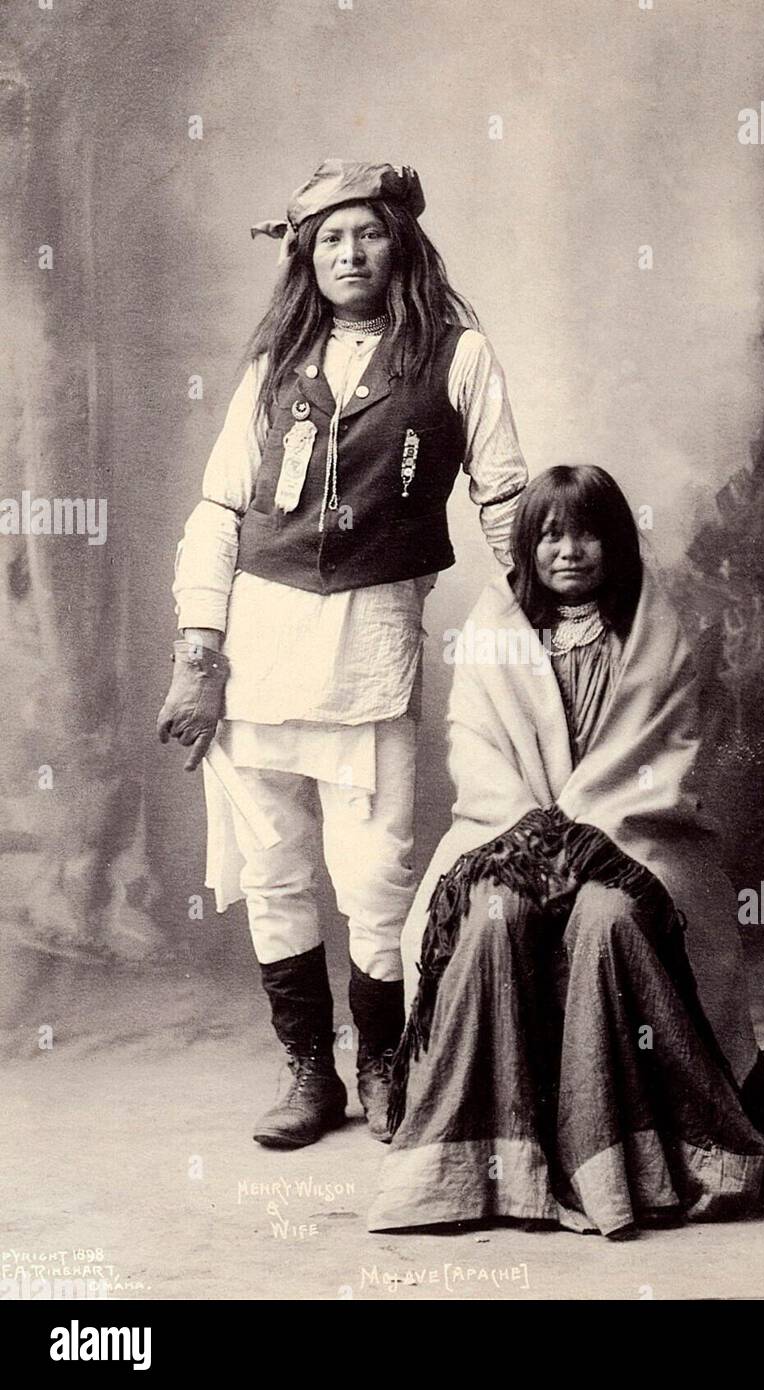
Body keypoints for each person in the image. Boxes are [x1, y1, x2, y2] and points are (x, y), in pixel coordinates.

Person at [156, 158, 527, 1148]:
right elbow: (219, 507)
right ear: (306, 257)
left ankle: (383, 1063)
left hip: (369, 659)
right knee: (275, 874)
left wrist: (552, 608)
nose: (350, 253)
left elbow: (503, 498)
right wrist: (200, 652)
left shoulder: (456, 356)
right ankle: (308, 1073)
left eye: (366, 233)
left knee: (374, 878)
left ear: (398, 240)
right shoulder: (274, 365)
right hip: (257, 656)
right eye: (330, 239)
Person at [369, 465, 764, 1237]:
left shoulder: (651, 631)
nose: (570, 551)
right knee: (490, 916)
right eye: (551, 534)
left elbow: (666, 755)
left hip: (633, 836)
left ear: (615, 543)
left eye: (588, 533)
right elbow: (476, 747)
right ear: (528, 545)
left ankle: (620, 1156)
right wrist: (531, 832)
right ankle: (476, 1163)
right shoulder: (494, 625)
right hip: (511, 832)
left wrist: (590, 835)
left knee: (609, 922)